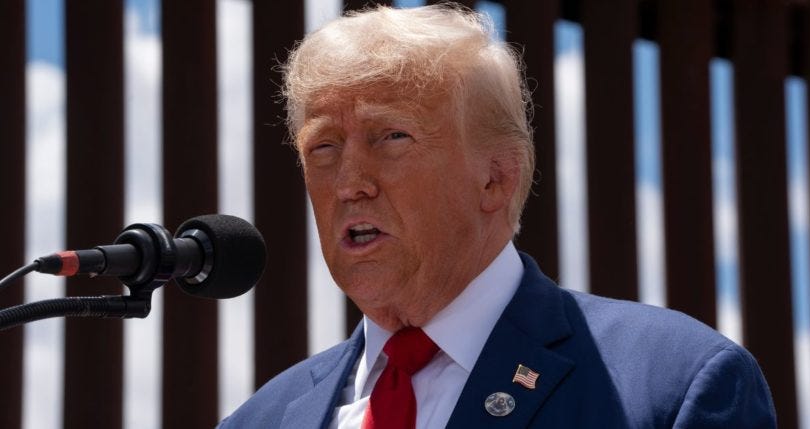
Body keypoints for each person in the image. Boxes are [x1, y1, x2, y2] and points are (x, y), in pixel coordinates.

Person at [219, 4, 776, 428]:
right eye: (323, 148)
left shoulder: (674, 383)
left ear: (496, 178)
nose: (349, 184)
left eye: (391, 137)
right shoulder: (258, 419)